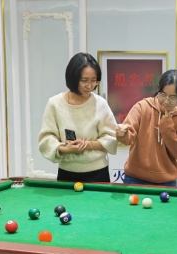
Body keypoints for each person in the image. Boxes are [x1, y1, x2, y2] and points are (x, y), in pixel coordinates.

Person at [38, 52, 118, 182]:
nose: (89, 86)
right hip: (66, 172)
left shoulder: (100, 104)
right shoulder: (55, 104)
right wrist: (65, 149)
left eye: (94, 80)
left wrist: (88, 144)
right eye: (84, 81)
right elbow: (46, 139)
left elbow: (111, 138)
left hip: (98, 172)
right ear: (73, 78)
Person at [115, 69, 177, 186]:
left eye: (173, 97)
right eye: (163, 94)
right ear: (158, 88)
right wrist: (122, 134)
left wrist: (167, 128)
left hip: (166, 182)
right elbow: (128, 136)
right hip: (135, 178)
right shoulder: (142, 107)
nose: (166, 101)